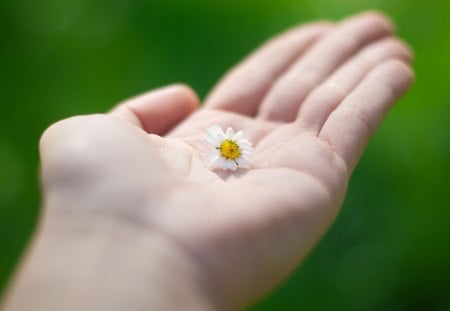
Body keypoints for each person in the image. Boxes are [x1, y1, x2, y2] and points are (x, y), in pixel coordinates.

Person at [1, 11, 413, 311]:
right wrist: (127, 234)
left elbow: (234, 155)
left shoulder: (231, 152)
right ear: (225, 149)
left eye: (233, 149)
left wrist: (116, 237)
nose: (232, 150)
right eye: (230, 149)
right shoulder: (225, 151)